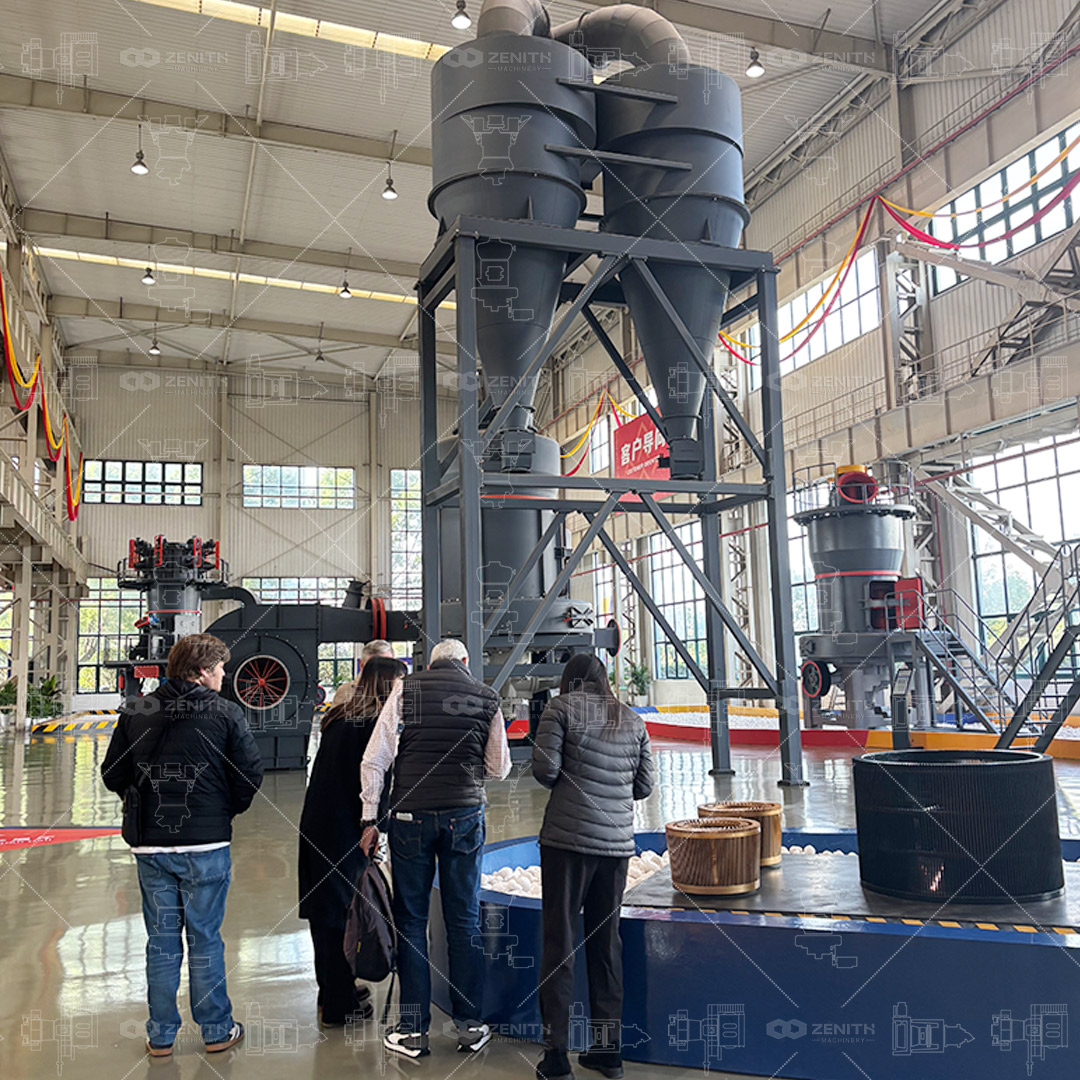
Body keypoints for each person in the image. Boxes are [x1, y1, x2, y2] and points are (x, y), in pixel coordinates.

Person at [101, 634, 264, 1058]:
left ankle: (160, 1036)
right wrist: (221, 810)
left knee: (161, 940)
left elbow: (112, 774)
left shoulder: (137, 710)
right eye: (221, 669)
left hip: (150, 847)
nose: (225, 676)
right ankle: (216, 1030)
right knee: (205, 937)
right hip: (205, 846)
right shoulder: (226, 713)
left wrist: (142, 802)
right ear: (202, 671)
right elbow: (249, 776)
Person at [359, 638, 511, 1059]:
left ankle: (412, 1031)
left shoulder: (406, 690)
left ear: (430, 663)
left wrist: (370, 818)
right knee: (463, 920)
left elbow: (375, 758)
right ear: (465, 662)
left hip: (411, 819)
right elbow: (498, 768)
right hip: (464, 816)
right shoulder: (487, 697)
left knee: (411, 921)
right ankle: (470, 1025)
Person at [531, 654, 654, 1080]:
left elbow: (545, 771)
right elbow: (644, 786)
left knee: (559, 944)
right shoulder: (633, 720)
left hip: (566, 843)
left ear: (570, 680)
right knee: (606, 947)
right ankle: (607, 1053)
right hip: (616, 846)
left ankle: (556, 1057)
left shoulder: (559, 708)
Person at [298, 655, 407, 1026]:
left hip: (317, 824)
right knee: (347, 912)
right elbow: (378, 783)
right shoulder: (377, 724)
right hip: (350, 828)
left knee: (323, 912)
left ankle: (330, 989)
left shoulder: (339, 716)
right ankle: (340, 1006)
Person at [331, 639, 395, 705]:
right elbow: (334, 715)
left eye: (388, 665)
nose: (382, 670)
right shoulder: (345, 691)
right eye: (373, 666)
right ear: (361, 665)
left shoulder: (399, 691)